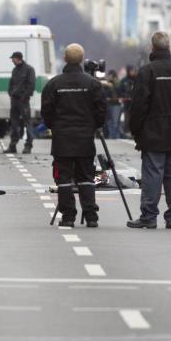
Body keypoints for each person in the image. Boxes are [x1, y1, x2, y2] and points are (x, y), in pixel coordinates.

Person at [127, 32, 171, 229]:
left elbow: (139, 104)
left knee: (152, 175)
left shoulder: (147, 72)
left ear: (152, 48)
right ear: (169, 47)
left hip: (152, 131)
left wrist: (135, 130)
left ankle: (149, 215)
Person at [40, 43, 106, 228]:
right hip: (85, 138)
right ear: (82, 59)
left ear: (66, 59)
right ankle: (91, 215)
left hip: (62, 138)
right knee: (86, 177)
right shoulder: (92, 84)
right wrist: (94, 126)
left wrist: (54, 126)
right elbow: (101, 109)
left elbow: (47, 110)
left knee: (64, 179)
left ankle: (68, 216)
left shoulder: (54, 84)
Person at [6, 51, 36, 154]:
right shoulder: (15, 70)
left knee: (27, 122)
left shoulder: (29, 69)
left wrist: (24, 97)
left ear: (18, 58)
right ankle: (12, 145)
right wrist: (10, 93)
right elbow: (11, 83)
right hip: (14, 100)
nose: (12, 61)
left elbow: (31, 85)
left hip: (23, 101)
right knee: (14, 123)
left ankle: (28, 146)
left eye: (13, 58)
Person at [118, 65, 138, 137]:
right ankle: (127, 132)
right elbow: (120, 91)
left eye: (133, 70)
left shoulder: (138, 80)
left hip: (136, 103)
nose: (132, 72)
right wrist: (125, 96)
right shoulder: (124, 81)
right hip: (127, 104)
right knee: (127, 118)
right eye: (131, 70)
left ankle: (135, 132)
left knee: (136, 118)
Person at [102, 70, 122, 139]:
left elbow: (119, 92)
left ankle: (115, 136)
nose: (109, 77)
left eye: (111, 75)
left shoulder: (118, 83)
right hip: (108, 104)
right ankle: (111, 136)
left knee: (115, 122)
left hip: (116, 104)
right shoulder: (106, 84)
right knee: (109, 121)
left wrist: (112, 85)